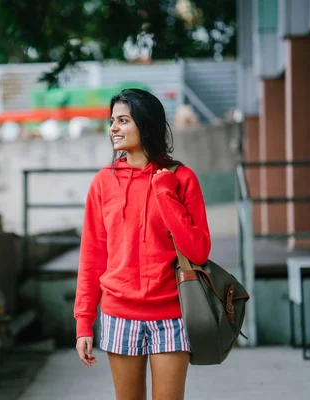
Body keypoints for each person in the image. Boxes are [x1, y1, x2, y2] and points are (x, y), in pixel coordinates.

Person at [74, 88, 211, 400]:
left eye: (123, 120)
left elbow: (199, 250)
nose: (113, 128)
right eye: (112, 121)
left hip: (172, 313)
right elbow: (92, 258)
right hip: (119, 314)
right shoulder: (103, 182)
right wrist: (84, 322)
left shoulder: (182, 178)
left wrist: (164, 192)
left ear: (146, 124)